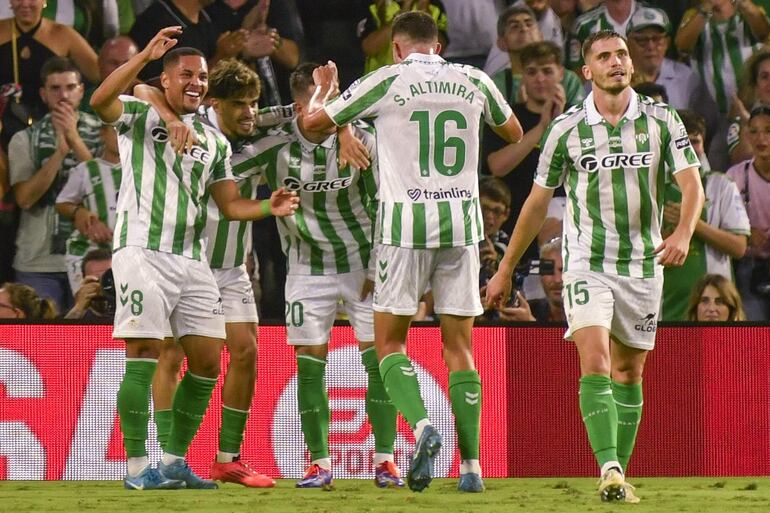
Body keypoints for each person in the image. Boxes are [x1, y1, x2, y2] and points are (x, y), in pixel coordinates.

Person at [306, 11, 523, 493]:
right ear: (439, 46)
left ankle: (423, 426)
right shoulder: (474, 79)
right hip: (463, 228)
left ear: (398, 48)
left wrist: (327, 91)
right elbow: (513, 134)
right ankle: (472, 469)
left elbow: (314, 124)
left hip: (404, 228)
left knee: (390, 344)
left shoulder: (385, 79)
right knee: (460, 348)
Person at [486, 30, 704, 503]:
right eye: (604, 57)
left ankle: (617, 476)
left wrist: (683, 231)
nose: (616, 62)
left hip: (644, 266)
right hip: (588, 261)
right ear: (587, 71)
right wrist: (505, 269)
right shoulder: (566, 129)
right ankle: (607, 466)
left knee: (629, 372)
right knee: (597, 360)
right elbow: (535, 205)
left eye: (621, 54)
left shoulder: (662, 120)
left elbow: (691, 185)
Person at [89, 27, 298, 490]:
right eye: (186, 74)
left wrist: (269, 206)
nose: (196, 82)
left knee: (206, 360)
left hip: (192, 258)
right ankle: (138, 468)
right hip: (141, 249)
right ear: (165, 80)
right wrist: (144, 55)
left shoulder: (215, 142)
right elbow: (101, 101)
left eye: (202, 76)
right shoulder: (141, 113)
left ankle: (174, 461)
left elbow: (229, 205)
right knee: (144, 353)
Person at [225, 62, 405, 490]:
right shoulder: (274, 146)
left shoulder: (363, 137)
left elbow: (392, 200)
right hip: (307, 269)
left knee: (378, 364)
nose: (334, 111)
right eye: (324, 102)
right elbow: (221, 170)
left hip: (363, 265)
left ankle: (385, 460)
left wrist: (383, 262)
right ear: (300, 106)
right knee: (310, 369)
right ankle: (319, 463)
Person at [140, 58, 281, 489]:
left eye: (254, 104)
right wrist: (168, 113)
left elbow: (310, 117)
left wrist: (343, 125)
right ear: (214, 103)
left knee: (246, 351)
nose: (249, 113)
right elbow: (143, 91)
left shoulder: (259, 132)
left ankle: (228, 458)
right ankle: (169, 459)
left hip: (233, 267)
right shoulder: (189, 126)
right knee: (172, 355)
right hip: (186, 261)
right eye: (239, 104)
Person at [8, 56, 102, 312]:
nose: (63, 95)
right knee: (42, 343)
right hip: (37, 263)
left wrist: (74, 140)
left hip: (91, 260)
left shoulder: (104, 132)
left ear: (81, 91)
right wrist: (60, 151)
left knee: (89, 340)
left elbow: (106, 190)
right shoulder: (23, 139)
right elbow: (25, 198)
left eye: (70, 87)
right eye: (55, 88)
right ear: (43, 94)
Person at [661, 109, 749, 320]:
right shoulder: (651, 188)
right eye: (683, 143)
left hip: (715, 308)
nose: (690, 150)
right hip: (665, 305)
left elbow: (739, 247)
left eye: (695, 142)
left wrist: (691, 223)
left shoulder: (722, 185)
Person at [483, 40, 566, 236]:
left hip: (561, 228)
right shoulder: (506, 118)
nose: (539, 79)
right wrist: (542, 127)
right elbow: (497, 167)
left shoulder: (578, 119)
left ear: (560, 73)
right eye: (531, 72)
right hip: (513, 228)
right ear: (522, 76)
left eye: (547, 71)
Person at [0, 0, 99, 147]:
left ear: (44, 1)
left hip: (54, 124)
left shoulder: (63, 34)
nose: (25, 4)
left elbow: (100, 73)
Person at [55, 124, 120, 295]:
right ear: (102, 134)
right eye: (116, 129)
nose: (121, 136)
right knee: (90, 304)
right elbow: (62, 203)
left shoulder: (144, 170)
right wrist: (80, 213)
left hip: (129, 255)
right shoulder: (87, 170)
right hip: (88, 253)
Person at [487, 5, 585, 108]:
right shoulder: (496, 84)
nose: (523, 28)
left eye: (529, 24)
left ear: (541, 36)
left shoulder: (568, 79)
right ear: (502, 43)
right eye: (514, 26)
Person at [727, 105, 770, 321]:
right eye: (754, 131)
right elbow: (723, 225)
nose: (761, 138)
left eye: (768, 130)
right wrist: (746, 232)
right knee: (756, 334)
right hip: (749, 267)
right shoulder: (735, 176)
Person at [358, 0, 449, 74]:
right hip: (382, 81)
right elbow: (369, 48)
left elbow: (440, 48)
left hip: (421, 80)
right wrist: (402, 15)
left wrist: (423, 13)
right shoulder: (373, 5)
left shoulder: (433, 6)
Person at [63, 247, 114, 320]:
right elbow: (64, 331)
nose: (102, 285)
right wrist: (78, 308)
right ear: (85, 282)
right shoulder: (76, 314)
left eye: (108, 279)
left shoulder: (131, 309)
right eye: (97, 280)